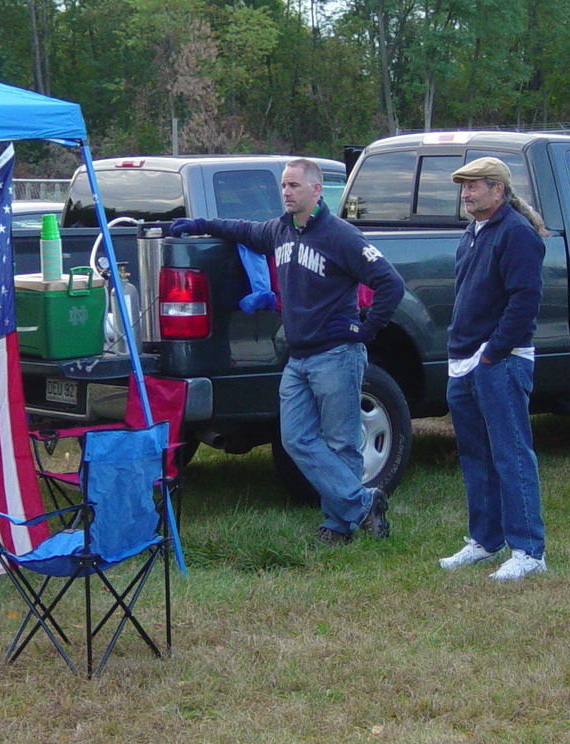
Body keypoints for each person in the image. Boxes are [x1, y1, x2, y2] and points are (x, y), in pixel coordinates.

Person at [169, 158, 404, 545]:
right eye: (283, 186)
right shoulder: (279, 231)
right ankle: (362, 503)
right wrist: (201, 224)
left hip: (336, 356)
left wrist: (365, 329)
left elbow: (389, 283)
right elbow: (242, 229)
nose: (286, 193)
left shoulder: (340, 235)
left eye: (294, 186)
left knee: (341, 442)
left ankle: (337, 527)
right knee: (295, 438)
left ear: (316, 190)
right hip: (298, 358)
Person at [440, 156, 549, 581]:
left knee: (511, 454)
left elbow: (525, 301)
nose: (466, 194)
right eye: (463, 187)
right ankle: (485, 541)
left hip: (498, 361)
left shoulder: (517, 234)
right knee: (476, 455)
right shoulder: (473, 233)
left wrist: (492, 354)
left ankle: (529, 551)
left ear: (497, 190)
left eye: (473, 187)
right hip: (463, 361)